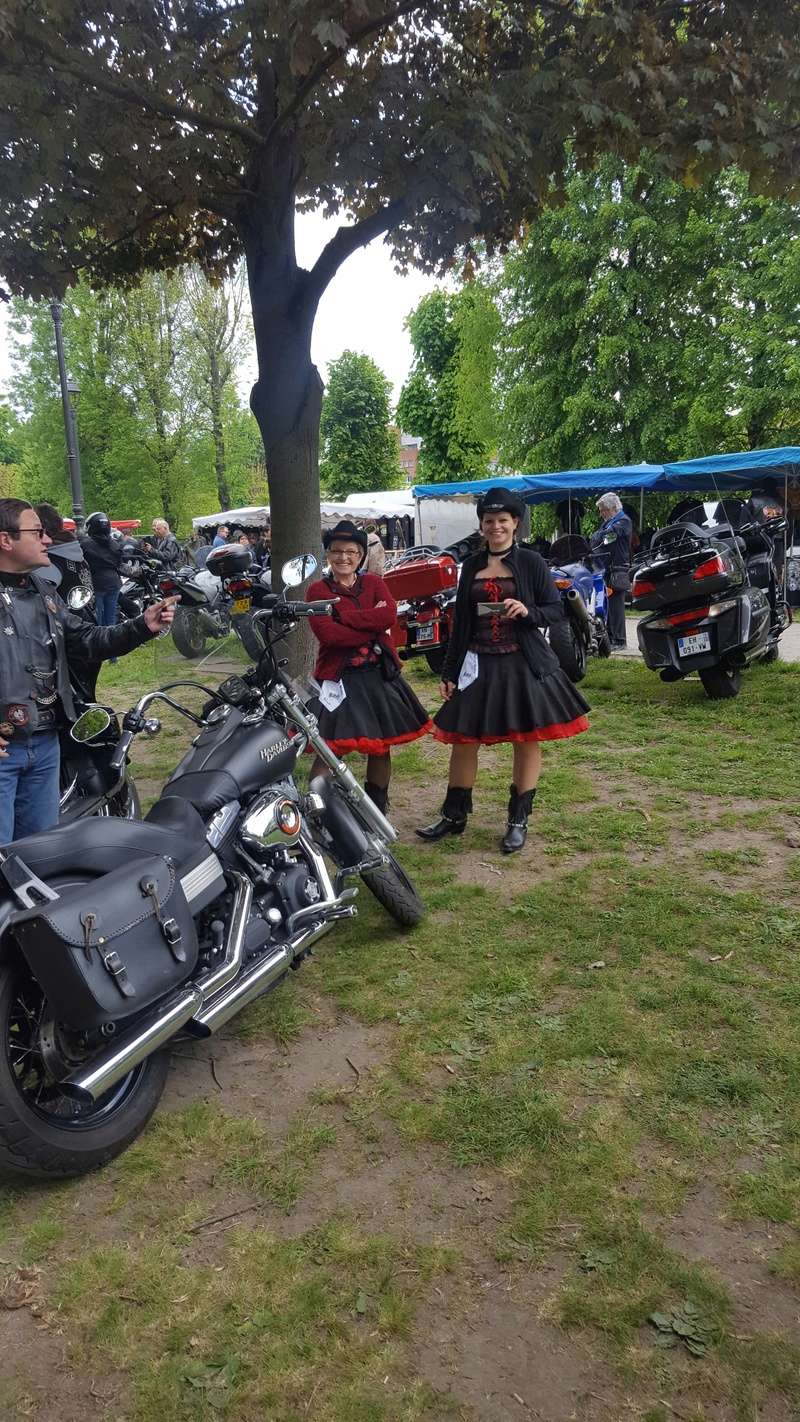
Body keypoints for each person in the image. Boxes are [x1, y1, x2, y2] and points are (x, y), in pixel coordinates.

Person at [417, 487, 590, 854]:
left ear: (515, 523)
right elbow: (461, 621)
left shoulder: (530, 562)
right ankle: (454, 815)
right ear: (481, 525)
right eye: (489, 521)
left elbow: (556, 610)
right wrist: (449, 671)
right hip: (477, 663)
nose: (496, 527)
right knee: (464, 739)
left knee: (526, 739)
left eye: (503, 521)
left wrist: (528, 612)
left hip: (521, 661)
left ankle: (517, 821)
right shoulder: (472, 568)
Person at [0, 498, 178, 843]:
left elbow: (87, 639)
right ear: (5, 540)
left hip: (47, 743)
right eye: (37, 532)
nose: (48, 539)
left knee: (40, 857)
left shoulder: (44, 591)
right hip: (5, 752)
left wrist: (142, 625)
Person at [306, 519, 431, 812]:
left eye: (351, 551)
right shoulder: (317, 592)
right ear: (328, 554)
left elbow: (387, 617)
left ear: (361, 555)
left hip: (377, 674)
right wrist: (368, 622)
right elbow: (329, 635)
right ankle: (315, 809)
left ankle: (377, 808)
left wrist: (344, 617)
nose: (343, 557)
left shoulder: (374, 583)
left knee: (380, 744)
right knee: (330, 749)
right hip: (340, 678)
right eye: (336, 550)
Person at [590, 492, 633, 651]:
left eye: (603, 510)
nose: (601, 514)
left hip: (617, 569)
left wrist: (599, 536)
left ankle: (620, 641)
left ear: (612, 508)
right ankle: (611, 639)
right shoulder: (610, 522)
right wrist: (599, 536)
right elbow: (596, 538)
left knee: (616, 606)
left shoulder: (623, 521)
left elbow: (605, 538)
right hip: (606, 569)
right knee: (607, 605)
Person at [34, 504, 94, 608]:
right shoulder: (75, 551)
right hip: (85, 617)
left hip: (65, 622)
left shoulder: (48, 561)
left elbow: (37, 605)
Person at [80, 510, 123, 651]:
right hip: (113, 582)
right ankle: (113, 653)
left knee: (96, 618)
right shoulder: (115, 544)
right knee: (111, 618)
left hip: (96, 584)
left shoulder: (85, 544)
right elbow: (119, 563)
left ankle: (99, 649)